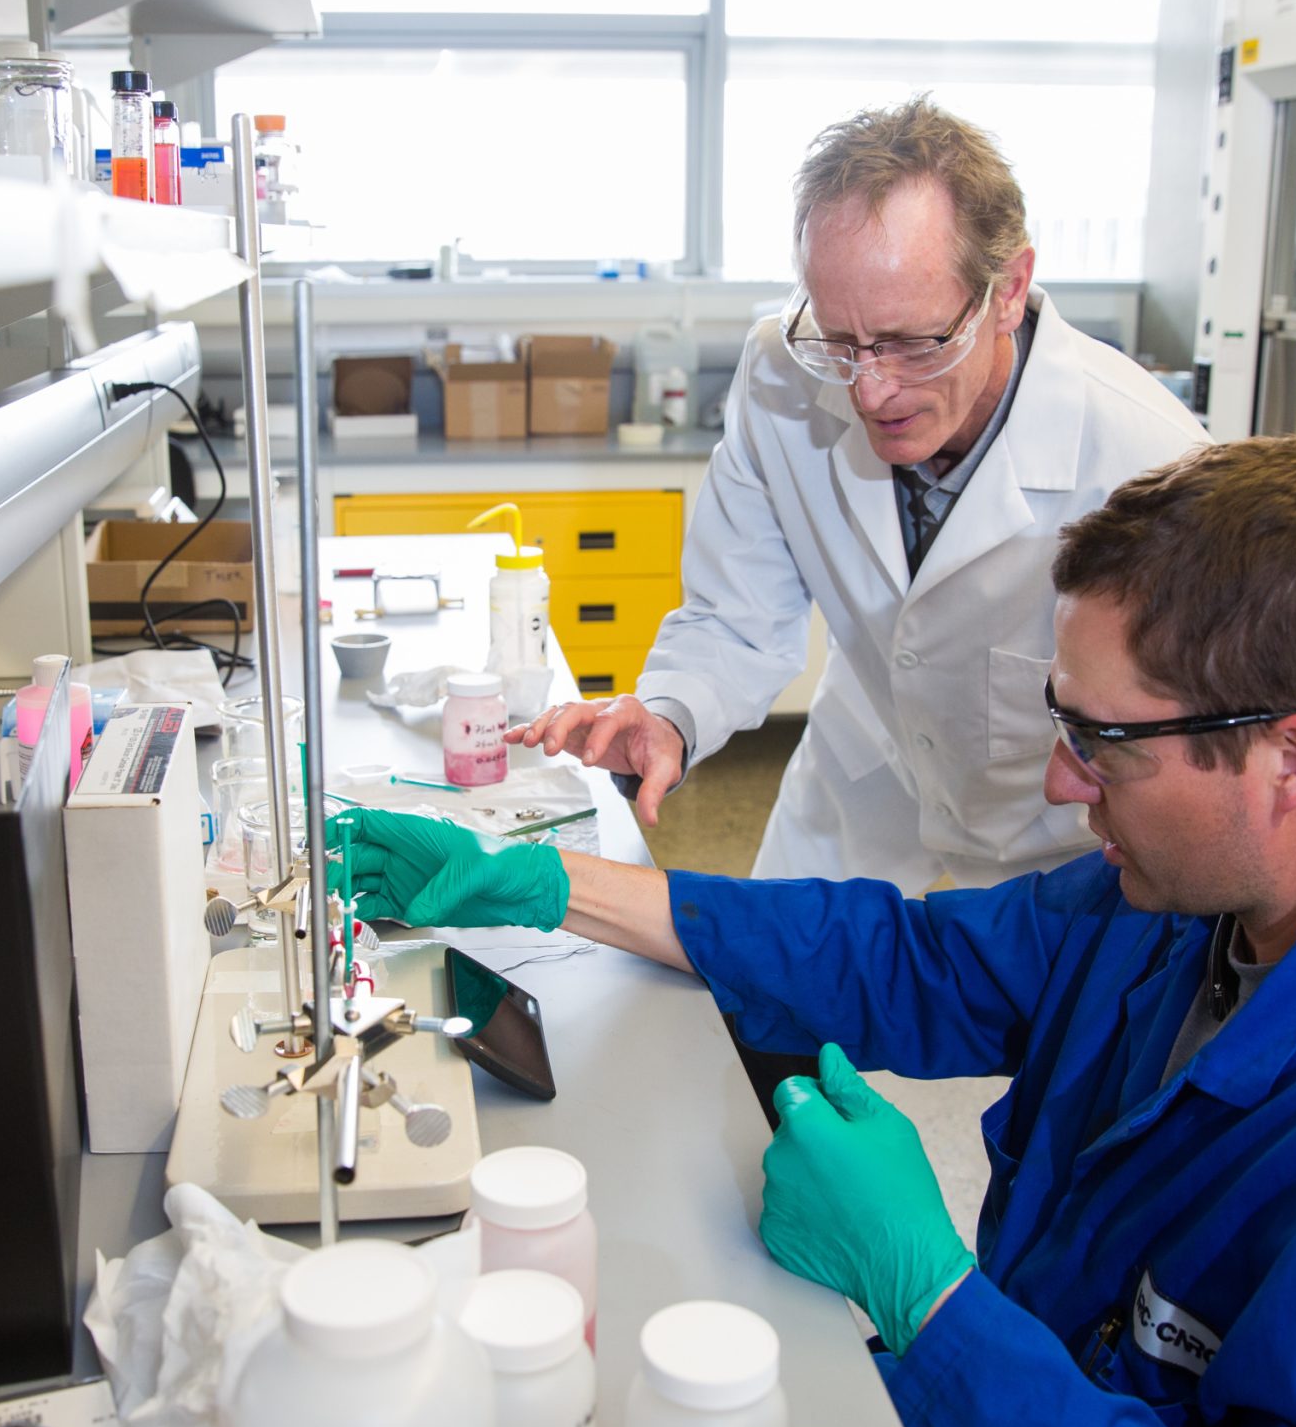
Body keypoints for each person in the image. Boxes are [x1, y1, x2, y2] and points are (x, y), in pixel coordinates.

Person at [333, 439, 1296, 1427]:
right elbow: (919, 960)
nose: (1063, 783)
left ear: (1295, 758)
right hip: (1083, 1408)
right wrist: (549, 885)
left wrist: (929, 1296)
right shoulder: (1208, 888)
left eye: (1103, 741)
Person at [512, 97, 1206, 901]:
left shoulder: (1152, 464)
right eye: (838, 341)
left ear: (1008, 289)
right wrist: (668, 713)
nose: (871, 390)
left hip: (1062, 835)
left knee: (1038, 1015)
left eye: (913, 344)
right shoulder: (782, 370)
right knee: (780, 998)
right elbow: (737, 617)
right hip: (869, 761)